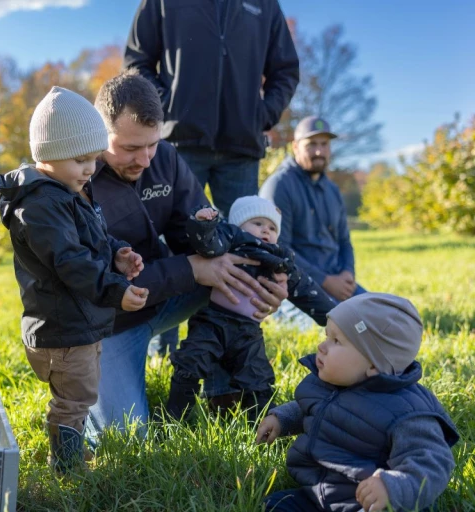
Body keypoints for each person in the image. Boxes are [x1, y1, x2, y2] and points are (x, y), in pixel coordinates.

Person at [87, 72, 289, 442]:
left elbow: (208, 240)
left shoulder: (166, 158)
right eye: (130, 148)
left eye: (152, 144)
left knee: (232, 273)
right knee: (126, 439)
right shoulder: (76, 177)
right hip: (107, 322)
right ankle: (92, 400)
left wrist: (267, 282)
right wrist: (190, 269)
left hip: (164, 294)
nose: (145, 160)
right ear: (100, 133)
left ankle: (224, 392)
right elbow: (95, 284)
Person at [0, 86, 149, 472]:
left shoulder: (68, 190)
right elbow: (70, 260)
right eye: (80, 160)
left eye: (94, 159)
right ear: (46, 155)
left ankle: (72, 452)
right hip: (62, 327)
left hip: (81, 321)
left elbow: (91, 237)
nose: (90, 169)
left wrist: (116, 252)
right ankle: (65, 466)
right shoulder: (41, 205)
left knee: (83, 392)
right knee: (74, 399)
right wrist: (116, 290)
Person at [256, 293, 459, 512]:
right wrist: (282, 420)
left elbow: (432, 462)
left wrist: (392, 487)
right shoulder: (329, 382)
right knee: (275, 505)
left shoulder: (406, 412)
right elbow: (311, 407)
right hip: (318, 493)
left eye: (336, 341)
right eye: (326, 336)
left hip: (369, 503)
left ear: (373, 365)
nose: (322, 347)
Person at [165, 196, 335, 421]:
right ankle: (176, 418)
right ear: (238, 225)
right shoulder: (230, 239)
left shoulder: (280, 257)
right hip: (213, 321)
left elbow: (305, 288)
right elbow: (207, 244)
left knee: (257, 376)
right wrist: (203, 223)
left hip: (248, 331)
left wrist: (331, 316)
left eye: (272, 227)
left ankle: (261, 424)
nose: (266, 230)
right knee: (191, 361)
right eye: (258, 224)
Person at [123, 0, 299, 218]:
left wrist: (263, 115)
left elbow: (286, 71)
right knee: (167, 240)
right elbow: (137, 62)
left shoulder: (265, 4)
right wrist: (165, 106)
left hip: (241, 150)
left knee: (242, 242)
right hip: (178, 145)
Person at [260, 116, 366, 303]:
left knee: (386, 312)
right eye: (311, 144)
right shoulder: (280, 186)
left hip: (338, 281)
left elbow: (344, 240)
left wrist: (347, 274)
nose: (319, 151)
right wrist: (325, 281)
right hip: (296, 287)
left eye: (324, 144)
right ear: (295, 147)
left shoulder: (332, 190)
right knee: (344, 325)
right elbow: (278, 248)